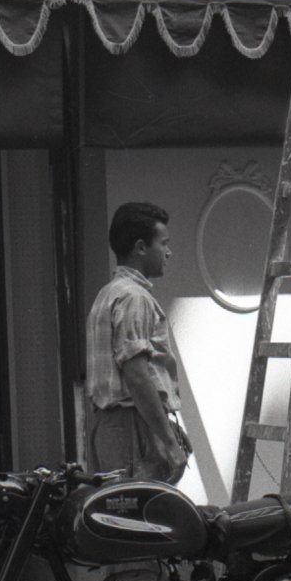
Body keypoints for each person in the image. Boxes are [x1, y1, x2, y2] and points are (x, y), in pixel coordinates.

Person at [84, 201, 191, 483]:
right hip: (131, 428)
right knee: (143, 507)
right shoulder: (134, 297)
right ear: (141, 247)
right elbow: (137, 376)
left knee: (116, 504)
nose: (168, 252)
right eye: (163, 244)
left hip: (109, 426)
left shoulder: (107, 294)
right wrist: (169, 442)